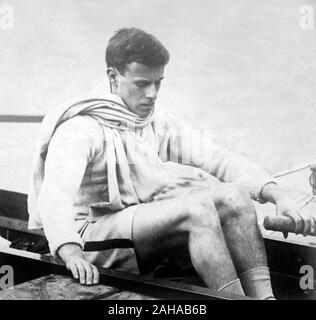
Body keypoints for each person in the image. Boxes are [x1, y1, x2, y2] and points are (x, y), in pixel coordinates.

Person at [28, 27, 314, 299]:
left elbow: (219, 159)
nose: (152, 94)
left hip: (132, 224)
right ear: (113, 77)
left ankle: (265, 298)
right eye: (142, 84)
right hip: (86, 236)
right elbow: (55, 195)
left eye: (158, 83)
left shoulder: (155, 120)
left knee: (235, 195)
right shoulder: (81, 128)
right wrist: (69, 251)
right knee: (197, 209)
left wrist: (278, 194)